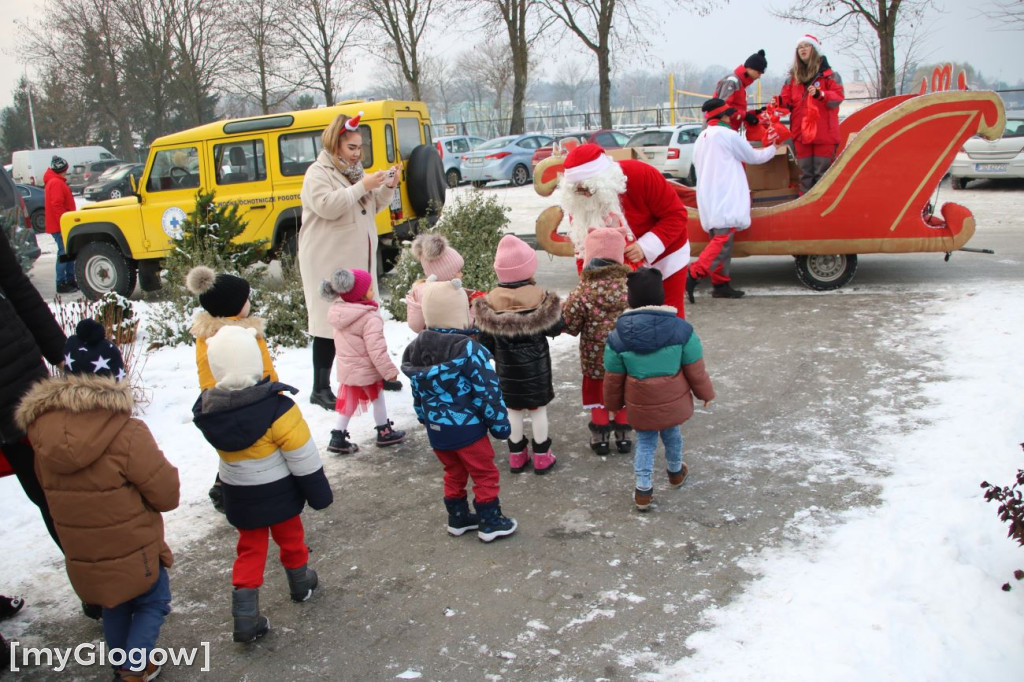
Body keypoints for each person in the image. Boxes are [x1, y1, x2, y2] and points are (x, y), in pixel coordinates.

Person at [15, 319, 180, 680]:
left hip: (84, 553)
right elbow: (166, 494)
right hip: (135, 550)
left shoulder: (41, 435)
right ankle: (132, 669)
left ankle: (125, 664)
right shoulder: (127, 432)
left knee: (114, 603)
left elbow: (45, 488)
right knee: (152, 601)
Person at [191, 325, 333, 643]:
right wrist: (319, 494)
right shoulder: (277, 408)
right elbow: (302, 456)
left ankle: (245, 616)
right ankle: (300, 583)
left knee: (250, 549)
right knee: (291, 537)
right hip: (279, 493)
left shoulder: (210, 412)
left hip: (239, 494)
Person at [401, 279, 518, 542]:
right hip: (468, 430)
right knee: (484, 472)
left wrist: (424, 417)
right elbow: (488, 390)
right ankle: (490, 521)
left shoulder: (417, 348)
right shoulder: (469, 350)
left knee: (453, 471)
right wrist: (500, 425)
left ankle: (458, 517)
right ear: (460, 314)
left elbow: (418, 390)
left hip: (437, 430)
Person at [299, 112, 402, 410]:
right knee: (327, 322)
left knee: (364, 318)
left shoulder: (355, 172)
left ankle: (375, 375)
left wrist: (387, 186)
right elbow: (328, 206)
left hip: (356, 260)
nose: (358, 154)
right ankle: (320, 388)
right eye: (352, 148)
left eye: (360, 148)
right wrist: (364, 186)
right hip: (327, 260)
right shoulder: (318, 173)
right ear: (335, 146)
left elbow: (368, 206)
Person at [603, 269, 716, 512]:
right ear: (661, 297)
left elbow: (613, 377)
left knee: (645, 442)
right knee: (672, 434)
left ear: (630, 299)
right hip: (672, 400)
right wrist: (705, 394)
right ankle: (675, 473)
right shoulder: (682, 330)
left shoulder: (617, 336)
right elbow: (695, 369)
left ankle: (643, 490)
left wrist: (612, 405)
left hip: (640, 403)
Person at [557, 143, 691, 318]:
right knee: (626, 323)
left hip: (666, 255)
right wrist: (586, 285)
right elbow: (583, 248)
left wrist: (645, 247)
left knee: (669, 317)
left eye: (589, 189)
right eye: (579, 191)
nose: (586, 196)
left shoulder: (640, 174)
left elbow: (676, 215)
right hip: (621, 269)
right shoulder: (579, 203)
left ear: (604, 181)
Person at [186, 265, 278, 513]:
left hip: (215, 398)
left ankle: (223, 483)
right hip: (251, 397)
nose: (249, 302)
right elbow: (264, 368)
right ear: (235, 305)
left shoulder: (206, 333)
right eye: (246, 299)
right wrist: (275, 390)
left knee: (231, 444)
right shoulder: (245, 334)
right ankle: (257, 485)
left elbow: (206, 369)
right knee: (254, 443)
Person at [0, 226, 66, 552]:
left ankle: (97, 587)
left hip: (13, 378)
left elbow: (16, 287)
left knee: (49, 487)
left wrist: (65, 355)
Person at [473, 235, 562, 475]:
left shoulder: (490, 302)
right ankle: (542, 455)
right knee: (538, 410)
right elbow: (556, 327)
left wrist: (497, 353)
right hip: (537, 370)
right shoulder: (540, 296)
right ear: (529, 267)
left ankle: (516, 456)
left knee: (512, 411)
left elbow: (484, 341)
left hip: (507, 370)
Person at [686, 97, 779, 301]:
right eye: (729, 114)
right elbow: (754, 157)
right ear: (723, 116)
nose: (732, 117)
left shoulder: (702, 137)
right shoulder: (727, 135)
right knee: (722, 241)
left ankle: (721, 284)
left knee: (720, 241)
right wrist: (773, 147)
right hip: (725, 195)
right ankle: (694, 274)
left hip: (709, 196)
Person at [561, 226, 633, 456]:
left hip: (595, 359)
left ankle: (600, 438)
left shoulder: (583, 289)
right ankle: (623, 436)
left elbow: (570, 324)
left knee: (598, 395)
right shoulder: (630, 286)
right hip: (625, 358)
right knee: (622, 393)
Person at [321, 268, 407, 453]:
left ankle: (338, 436)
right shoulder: (368, 317)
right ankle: (384, 431)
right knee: (377, 399)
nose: (373, 291)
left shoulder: (340, 313)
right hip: (366, 369)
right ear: (359, 294)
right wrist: (389, 372)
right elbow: (376, 349)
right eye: (368, 288)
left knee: (348, 403)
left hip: (348, 368)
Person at [777, 34, 845, 193]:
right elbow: (786, 101)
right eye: (800, 47)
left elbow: (838, 97)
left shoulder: (830, 76)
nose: (803, 50)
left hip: (824, 134)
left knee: (823, 175)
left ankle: (822, 209)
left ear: (814, 49)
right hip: (801, 135)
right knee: (804, 175)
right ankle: (805, 210)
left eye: (806, 46)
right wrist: (777, 104)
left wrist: (821, 95)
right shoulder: (792, 79)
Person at [405, 233, 483, 333]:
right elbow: (466, 324)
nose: (461, 274)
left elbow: (415, 326)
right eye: (458, 271)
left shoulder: (421, 290)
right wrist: (475, 308)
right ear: (445, 274)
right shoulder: (449, 295)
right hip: (456, 344)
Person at [43, 155, 78, 293]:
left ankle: (70, 280)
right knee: (64, 253)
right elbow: (57, 205)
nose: (66, 172)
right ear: (61, 169)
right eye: (65, 169)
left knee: (68, 252)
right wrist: (64, 223)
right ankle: (61, 282)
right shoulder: (56, 183)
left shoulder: (54, 181)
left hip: (60, 224)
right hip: (60, 226)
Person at [713, 49, 768, 134]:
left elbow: (735, 109)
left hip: (726, 131)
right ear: (750, 68)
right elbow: (723, 108)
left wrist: (754, 113)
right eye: (759, 72)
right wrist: (746, 116)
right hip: (720, 131)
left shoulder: (740, 85)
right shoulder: (732, 82)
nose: (759, 76)